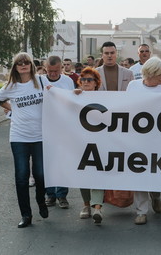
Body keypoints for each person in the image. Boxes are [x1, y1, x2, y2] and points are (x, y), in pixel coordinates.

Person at [0, 52, 48, 228]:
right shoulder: (11, 86)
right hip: (19, 137)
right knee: (22, 177)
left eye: (26, 62)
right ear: (15, 67)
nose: (23, 65)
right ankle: (26, 215)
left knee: (40, 174)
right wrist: (11, 109)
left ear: (31, 65)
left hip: (40, 136)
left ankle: (41, 200)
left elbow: (57, 96)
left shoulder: (41, 81)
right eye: (19, 63)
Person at [90, 41, 133, 224]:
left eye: (112, 52)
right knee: (97, 165)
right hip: (100, 128)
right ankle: (97, 206)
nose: (109, 55)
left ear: (117, 54)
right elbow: (86, 94)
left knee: (126, 164)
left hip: (123, 128)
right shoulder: (93, 74)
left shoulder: (128, 74)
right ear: (102, 54)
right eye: (106, 53)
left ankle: (139, 200)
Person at [126, 57, 161, 224]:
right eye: (160, 74)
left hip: (159, 138)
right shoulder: (133, 86)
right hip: (138, 138)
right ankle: (141, 211)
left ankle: (156, 194)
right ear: (151, 73)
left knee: (157, 171)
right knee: (140, 173)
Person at [43, 56, 75, 209]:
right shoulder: (39, 81)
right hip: (45, 127)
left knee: (62, 162)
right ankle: (50, 195)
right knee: (47, 162)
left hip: (63, 127)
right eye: (50, 71)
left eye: (56, 71)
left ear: (62, 68)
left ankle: (62, 195)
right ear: (45, 68)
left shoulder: (68, 81)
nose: (53, 74)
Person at [72, 67, 102, 219]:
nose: (86, 82)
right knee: (83, 174)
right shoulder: (75, 97)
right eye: (83, 80)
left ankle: (97, 207)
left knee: (98, 173)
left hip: (100, 141)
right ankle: (86, 205)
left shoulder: (107, 99)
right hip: (81, 142)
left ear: (96, 83)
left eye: (89, 80)